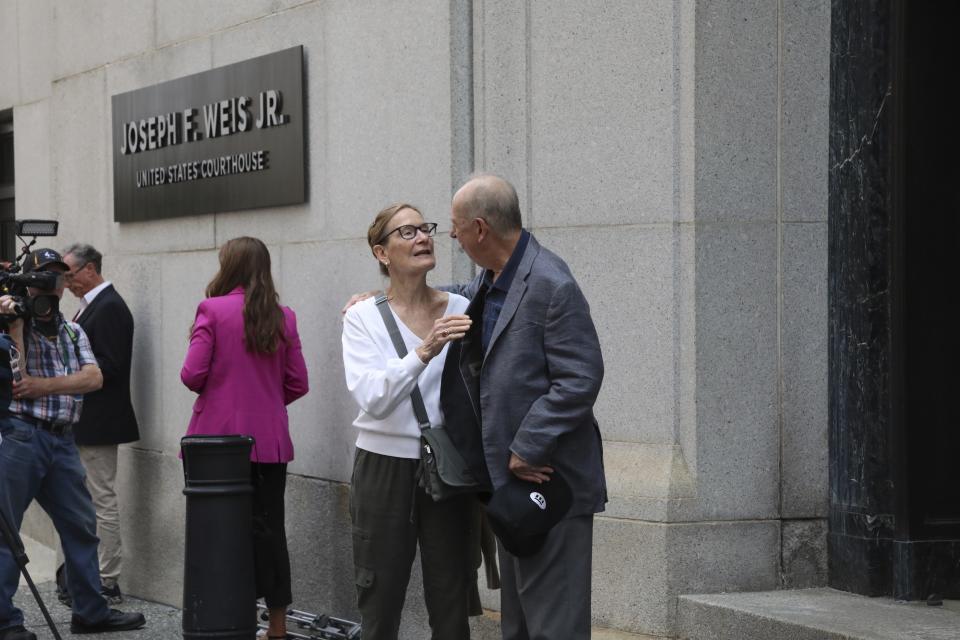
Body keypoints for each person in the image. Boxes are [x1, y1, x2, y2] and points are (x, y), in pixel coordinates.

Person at [446, 175, 606, 640]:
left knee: (554, 626)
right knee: (518, 625)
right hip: (512, 485)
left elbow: (581, 378)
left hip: (549, 483)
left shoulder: (552, 283)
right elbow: (456, 296)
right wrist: (386, 300)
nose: (452, 238)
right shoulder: (494, 277)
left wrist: (529, 444)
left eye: (455, 228)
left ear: (479, 229)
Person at [341, 203, 474, 640]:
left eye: (426, 228)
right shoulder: (361, 317)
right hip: (383, 465)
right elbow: (372, 397)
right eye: (407, 232)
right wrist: (423, 351)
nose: (422, 237)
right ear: (382, 254)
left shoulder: (461, 307)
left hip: (448, 468)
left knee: (451, 593)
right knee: (379, 595)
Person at [0, 248, 146, 640]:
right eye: (44, 276)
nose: (53, 285)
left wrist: (44, 387)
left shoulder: (72, 330)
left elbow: (94, 378)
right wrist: (14, 325)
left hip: (63, 440)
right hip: (21, 436)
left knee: (82, 527)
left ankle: (90, 612)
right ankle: (5, 620)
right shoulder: (13, 323)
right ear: (28, 282)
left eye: (58, 277)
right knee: (7, 532)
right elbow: (18, 380)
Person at [180, 237, 308, 640]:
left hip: (215, 446)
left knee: (218, 531)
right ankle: (278, 625)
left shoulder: (212, 310)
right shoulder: (283, 316)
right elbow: (298, 383)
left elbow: (191, 375)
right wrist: (265, 402)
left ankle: (228, 616)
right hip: (269, 441)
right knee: (270, 532)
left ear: (228, 266)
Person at [59, 243, 139, 604]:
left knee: (102, 499)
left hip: (99, 421)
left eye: (70, 274)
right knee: (85, 500)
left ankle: (107, 579)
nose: (67, 283)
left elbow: (110, 365)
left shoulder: (109, 308)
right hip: (83, 420)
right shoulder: (90, 307)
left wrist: (68, 377)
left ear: (90, 269)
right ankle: (87, 575)